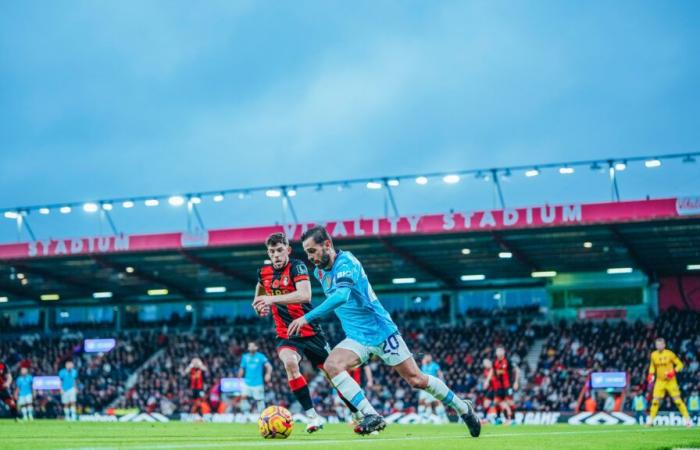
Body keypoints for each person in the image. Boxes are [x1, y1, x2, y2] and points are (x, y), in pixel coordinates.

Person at [288, 226, 481, 437]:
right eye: (307, 252)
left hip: (382, 332)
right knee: (332, 365)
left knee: (416, 379)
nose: (310, 257)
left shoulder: (347, 263)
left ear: (327, 244)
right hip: (356, 337)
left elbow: (342, 296)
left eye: (312, 251)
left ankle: (463, 408)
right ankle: (372, 415)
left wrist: (307, 317)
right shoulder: (319, 272)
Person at [251, 232, 362, 432]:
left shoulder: (297, 266)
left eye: (279, 250)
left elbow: (305, 295)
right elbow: (259, 298)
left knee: (333, 375)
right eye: (271, 251)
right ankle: (312, 417)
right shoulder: (263, 272)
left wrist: (271, 300)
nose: (275, 255)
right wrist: (260, 306)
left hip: (310, 330)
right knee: (290, 363)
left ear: (288, 250)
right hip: (286, 333)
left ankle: (356, 413)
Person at [646, 337, 691, 427]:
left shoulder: (670, 354)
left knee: (678, 401)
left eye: (660, 344)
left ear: (664, 345)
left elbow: (680, 364)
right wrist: (651, 374)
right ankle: (650, 421)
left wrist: (673, 372)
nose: (658, 346)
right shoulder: (653, 355)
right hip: (659, 381)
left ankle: (687, 420)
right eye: (657, 345)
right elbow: (652, 366)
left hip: (671, 381)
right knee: (655, 401)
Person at [238, 342, 272, 414]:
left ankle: (262, 416)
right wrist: (239, 377)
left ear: (256, 347)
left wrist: (268, 374)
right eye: (249, 346)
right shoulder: (245, 357)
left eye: (252, 346)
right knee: (243, 397)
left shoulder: (261, 357)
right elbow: (242, 368)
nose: (250, 348)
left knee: (259, 400)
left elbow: (269, 366)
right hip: (247, 382)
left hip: (258, 383)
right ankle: (246, 415)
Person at [418, 354, 447, 421]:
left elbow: (440, 374)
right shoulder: (423, 365)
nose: (425, 358)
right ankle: (420, 417)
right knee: (421, 401)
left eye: (427, 357)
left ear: (430, 358)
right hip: (424, 386)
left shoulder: (435, 365)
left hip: (432, 386)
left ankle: (442, 417)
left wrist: (442, 383)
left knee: (436, 401)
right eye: (425, 357)